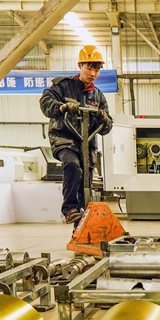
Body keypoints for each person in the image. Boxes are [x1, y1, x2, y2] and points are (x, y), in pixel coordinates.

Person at [39, 45, 113, 223]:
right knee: (72, 165)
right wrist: (62, 107)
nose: (93, 73)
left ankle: (81, 224)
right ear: (80, 65)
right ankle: (70, 208)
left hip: (87, 144)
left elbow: (107, 127)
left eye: (96, 69)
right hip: (64, 139)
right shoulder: (63, 86)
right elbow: (46, 102)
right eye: (89, 68)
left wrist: (104, 119)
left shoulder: (98, 97)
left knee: (86, 181)